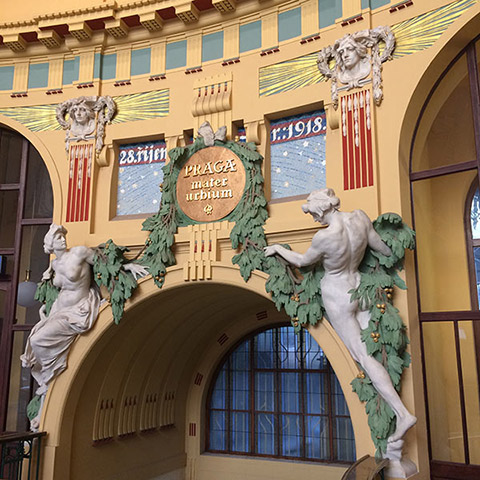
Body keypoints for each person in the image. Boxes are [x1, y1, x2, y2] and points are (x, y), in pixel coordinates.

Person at [264, 188, 416, 450]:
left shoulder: (324, 237)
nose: (314, 219)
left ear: (322, 209)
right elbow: (384, 249)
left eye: (313, 213)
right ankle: (398, 410)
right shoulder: (360, 217)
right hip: (360, 287)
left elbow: (302, 262)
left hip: (337, 293)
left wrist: (277, 248)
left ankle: (402, 414)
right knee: (374, 349)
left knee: (364, 357)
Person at [21, 224, 147, 429]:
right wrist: (47, 315)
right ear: (50, 244)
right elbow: (59, 291)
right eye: (57, 238)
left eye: (63, 236)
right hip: (59, 311)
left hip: (78, 310)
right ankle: (47, 383)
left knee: (37, 340)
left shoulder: (79, 253)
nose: (62, 239)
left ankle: (48, 378)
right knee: (34, 339)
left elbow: (103, 263)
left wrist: (128, 266)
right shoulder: (54, 265)